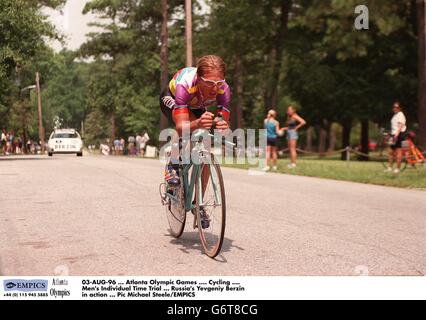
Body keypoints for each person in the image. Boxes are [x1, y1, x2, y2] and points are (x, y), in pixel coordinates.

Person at [160, 55, 231, 229]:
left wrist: (223, 123)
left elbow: (224, 119)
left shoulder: (223, 89)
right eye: (209, 83)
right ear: (199, 79)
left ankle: (199, 204)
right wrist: (197, 123)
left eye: (219, 83)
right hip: (173, 97)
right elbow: (181, 126)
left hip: (197, 103)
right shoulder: (186, 84)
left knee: (205, 145)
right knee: (190, 128)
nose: (215, 89)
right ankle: (173, 163)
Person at [385, 101, 407, 174]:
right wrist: (390, 134)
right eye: (394, 107)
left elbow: (400, 126)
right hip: (393, 135)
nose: (395, 108)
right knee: (391, 152)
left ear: (400, 108)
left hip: (399, 135)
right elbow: (393, 126)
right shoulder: (395, 115)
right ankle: (390, 167)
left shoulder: (400, 115)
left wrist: (396, 135)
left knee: (398, 152)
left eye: (397, 107)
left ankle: (397, 169)